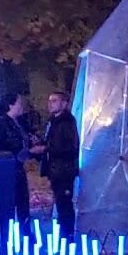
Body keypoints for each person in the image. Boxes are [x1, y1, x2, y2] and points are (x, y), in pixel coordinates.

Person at [31, 91, 79, 237]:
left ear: (64, 104)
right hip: (55, 169)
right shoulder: (52, 121)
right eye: (49, 100)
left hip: (64, 169)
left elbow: (68, 147)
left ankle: (67, 235)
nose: (50, 104)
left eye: (54, 101)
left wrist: (45, 149)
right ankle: (64, 232)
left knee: (64, 203)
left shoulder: (67, 122)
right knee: (60, 202)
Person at [0, 93, 32, 230]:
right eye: (19, 103)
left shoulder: (19, 123)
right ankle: (8, 232)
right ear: (11, 105)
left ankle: (25, 230)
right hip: (6, 169)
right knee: (8, 202)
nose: (22, 106)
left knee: (22, 201)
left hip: (18, 166)